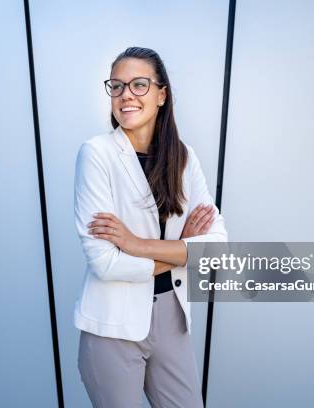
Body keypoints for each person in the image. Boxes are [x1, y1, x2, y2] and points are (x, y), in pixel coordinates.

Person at [73, 46, 228, 407]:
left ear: (161, 94)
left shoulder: (184, 157)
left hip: (171, 316)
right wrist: (184, 250)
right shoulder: (96, 155)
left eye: (139, 85)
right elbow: (106, 264)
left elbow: (216, 248)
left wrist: (136, 244)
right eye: (117, 86)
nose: (126, 94)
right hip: (113, 323)